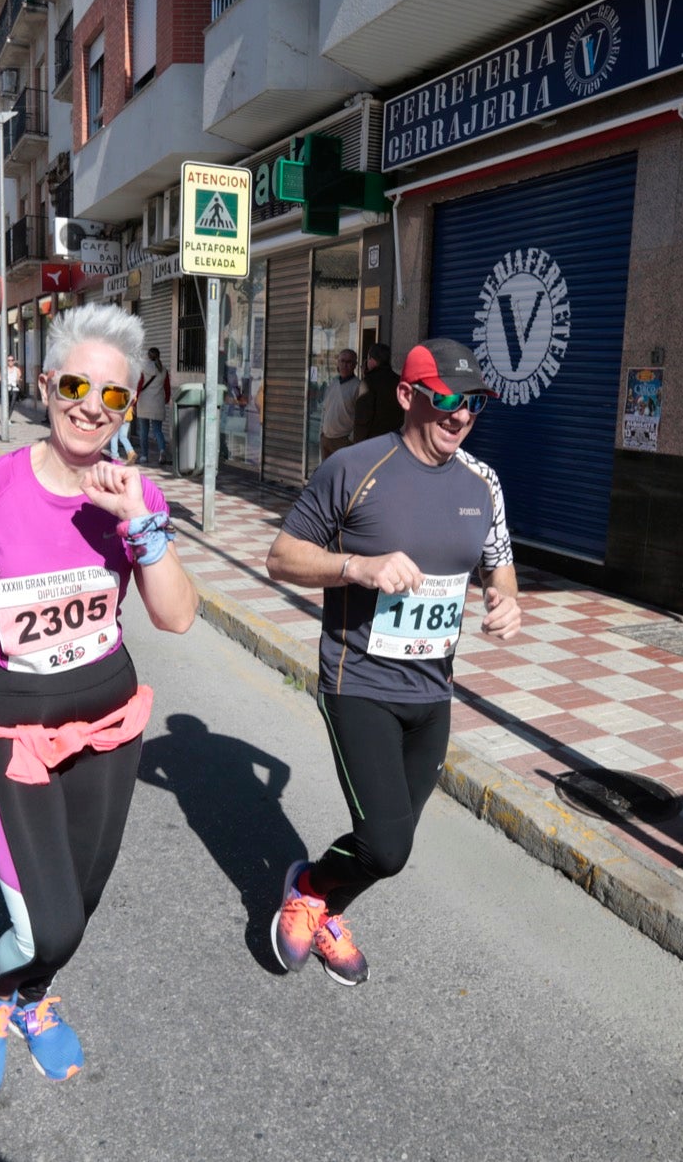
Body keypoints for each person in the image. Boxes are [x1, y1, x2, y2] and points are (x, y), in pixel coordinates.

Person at [0, 303, 196, 1096]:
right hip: (11, 734)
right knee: (48, 921)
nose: (92, 406)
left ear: (130, 405)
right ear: (43, 384)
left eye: (115, 396)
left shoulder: (134, 499)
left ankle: (31, 993)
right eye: (76, 384)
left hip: (108, 725)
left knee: (82, 900)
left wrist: (141, 523)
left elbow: (177, 615)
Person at [264, 338, 521, 986]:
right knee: (387, 844)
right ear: (408, 396)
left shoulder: (482, 482)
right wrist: (357, 565)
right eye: (446, 400)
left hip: (432, 691)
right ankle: (309, 886)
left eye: (475, 403)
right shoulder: (355, 468)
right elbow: (282, 556)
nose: (461, 415)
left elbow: (502, 568)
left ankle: (324, 905)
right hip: (360, 682)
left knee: (389, 840)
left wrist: (505, 601)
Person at [350, 342, 403, 444]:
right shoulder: (399, 381)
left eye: (368, 358)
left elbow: (362, 419)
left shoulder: (369, 382)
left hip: (373, 443)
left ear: (372, 360)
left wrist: (357, 445)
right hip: (395, 441)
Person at [317, 348, 360, 460]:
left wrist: (350, 439)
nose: (344, 365)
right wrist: (322, 432)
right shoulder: (333, 383)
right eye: (342, 361)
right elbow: (325, 409)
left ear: (355, 365)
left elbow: (361, 417)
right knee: (326, 475)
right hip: (326, 439)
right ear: (338, 363)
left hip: (343, 441)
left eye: (349, 362)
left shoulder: (358, 386)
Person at [133, 347, 170, 466]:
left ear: (148, 356)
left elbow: (139, 387)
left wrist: (134, 401)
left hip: (144, 403)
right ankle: (162, 450)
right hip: (157, 403)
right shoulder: (164, 370)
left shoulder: (143, 369)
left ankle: (144, 456)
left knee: (144, 431)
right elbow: (167, 388)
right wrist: (166, 399)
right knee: (158, 430)